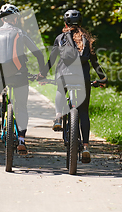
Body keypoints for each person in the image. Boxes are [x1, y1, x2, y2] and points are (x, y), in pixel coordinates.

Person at [40, 9, 107, 163]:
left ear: (65, 23)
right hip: (82, 78)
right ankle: (85, 147)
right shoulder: (87, 40)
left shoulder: (60, 38)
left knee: (60, 89)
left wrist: (42, 75)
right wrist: (102, 78)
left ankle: (58, 117)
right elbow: (95, 62)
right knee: (83, 112)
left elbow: (51, 60)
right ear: (81, 23)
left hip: (63, 76)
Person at [0, 4, 46, 155]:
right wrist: (42, 73)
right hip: (20, 75)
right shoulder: (20, 33)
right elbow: (39, 54)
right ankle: (21, 140)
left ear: (2, 19)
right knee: (21, 107)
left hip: (0, 75)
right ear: (15, 18)